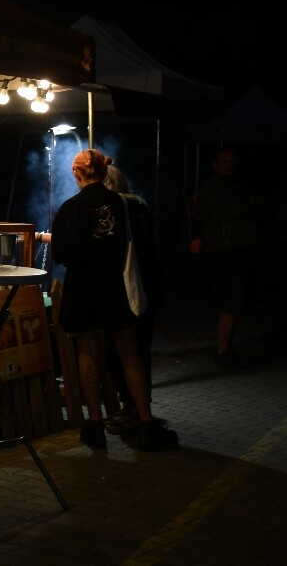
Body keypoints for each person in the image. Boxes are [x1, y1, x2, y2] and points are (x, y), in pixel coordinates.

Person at [50, 149, 178, 452]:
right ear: (104, 171)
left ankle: (94, 425)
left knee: (87, 352)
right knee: (129, 353)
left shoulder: (70, 208)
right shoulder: (124, 204)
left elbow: (61, 254)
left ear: (76, 173)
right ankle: (146, 423)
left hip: (83, 289)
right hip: (117, 287)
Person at [101, 164, 163, 435]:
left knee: (121, 353)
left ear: (108, 184)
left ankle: (133, 410)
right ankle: (140, 407)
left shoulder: (118, 207)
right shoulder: (140, 204)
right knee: (140, 351)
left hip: (128, 288)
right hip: (149, 285)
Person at [195, 147, 263, 368]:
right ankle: (222, 351)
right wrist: (250, 205)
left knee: (236, 300)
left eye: (232, 161)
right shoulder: (213, 186)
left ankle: (226, 349)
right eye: (224, 161)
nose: (229, 165)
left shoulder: (236, 186)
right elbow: (234, 209)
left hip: (238, 249)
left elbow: (257, 206)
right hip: (223, 251)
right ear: (215, 164)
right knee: (230, 301)